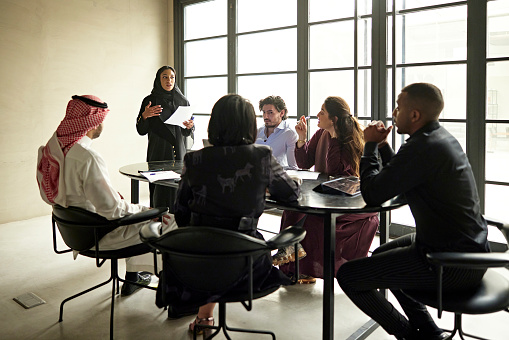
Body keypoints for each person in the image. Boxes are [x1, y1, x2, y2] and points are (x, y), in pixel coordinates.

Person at [336, 83, 490, 340]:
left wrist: (370, 146)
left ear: (415, 115)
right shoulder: (436, 139)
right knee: (382, 252)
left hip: (451, 263)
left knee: (348, 276)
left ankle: (408, 335)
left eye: (398, 107)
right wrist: (384, 146)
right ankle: (429, 332)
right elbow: (401, 175)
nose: (394, 112)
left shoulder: (422, 146)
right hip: (465, 248)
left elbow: (373, 194)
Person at [160, 94, 300, 334]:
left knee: (210, 246)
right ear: (248, 124)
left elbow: (181, 214)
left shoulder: (194, 159)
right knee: (230, 245)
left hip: (198, 260)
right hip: (245, 261)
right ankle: (205, 314)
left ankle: (204, 317)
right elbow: (290, 194)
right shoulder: (262, 156)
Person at [37, 95, 177, 296]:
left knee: (138, 217)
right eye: (101, 119)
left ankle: (134, 278)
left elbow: (49, 196)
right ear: (93, 121)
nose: (103, 123)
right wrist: (145, 210)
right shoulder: (86, 157)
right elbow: (113, 210)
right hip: (100, 233)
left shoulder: (50, 151)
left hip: (75, 232)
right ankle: (173, 289)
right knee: (169, 219)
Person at [275, 96, 379, 284]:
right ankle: (294, 265)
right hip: (324, 193)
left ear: (334, 119)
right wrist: (302, 138)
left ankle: (296, 262)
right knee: (292, 208)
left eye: (322, 111)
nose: (318, 115)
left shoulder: (349, 140)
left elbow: (336, 172)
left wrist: (334, 138)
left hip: (346, 201)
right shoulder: (321, 133)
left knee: (308, 219)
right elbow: (305, 162)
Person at [136, 65, 194, 209]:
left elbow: (188, 133)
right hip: (158, 152)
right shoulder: (150, 101)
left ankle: (177, 226)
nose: (169, 80)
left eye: (172, 77)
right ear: (158, 79)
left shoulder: (183, 101)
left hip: (179, 153)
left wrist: (190, 126)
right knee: (159, 194)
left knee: (178, 193)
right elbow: (141, 130)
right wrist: (145, 116)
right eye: (165, 77)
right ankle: (158, 222)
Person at [255, 95, 298, 170]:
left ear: (281, 113)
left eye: (270, 112)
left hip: (278, 178)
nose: (266, 117)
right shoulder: (258, 132)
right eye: (264, 112)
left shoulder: (289, 134)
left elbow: (293, 168)